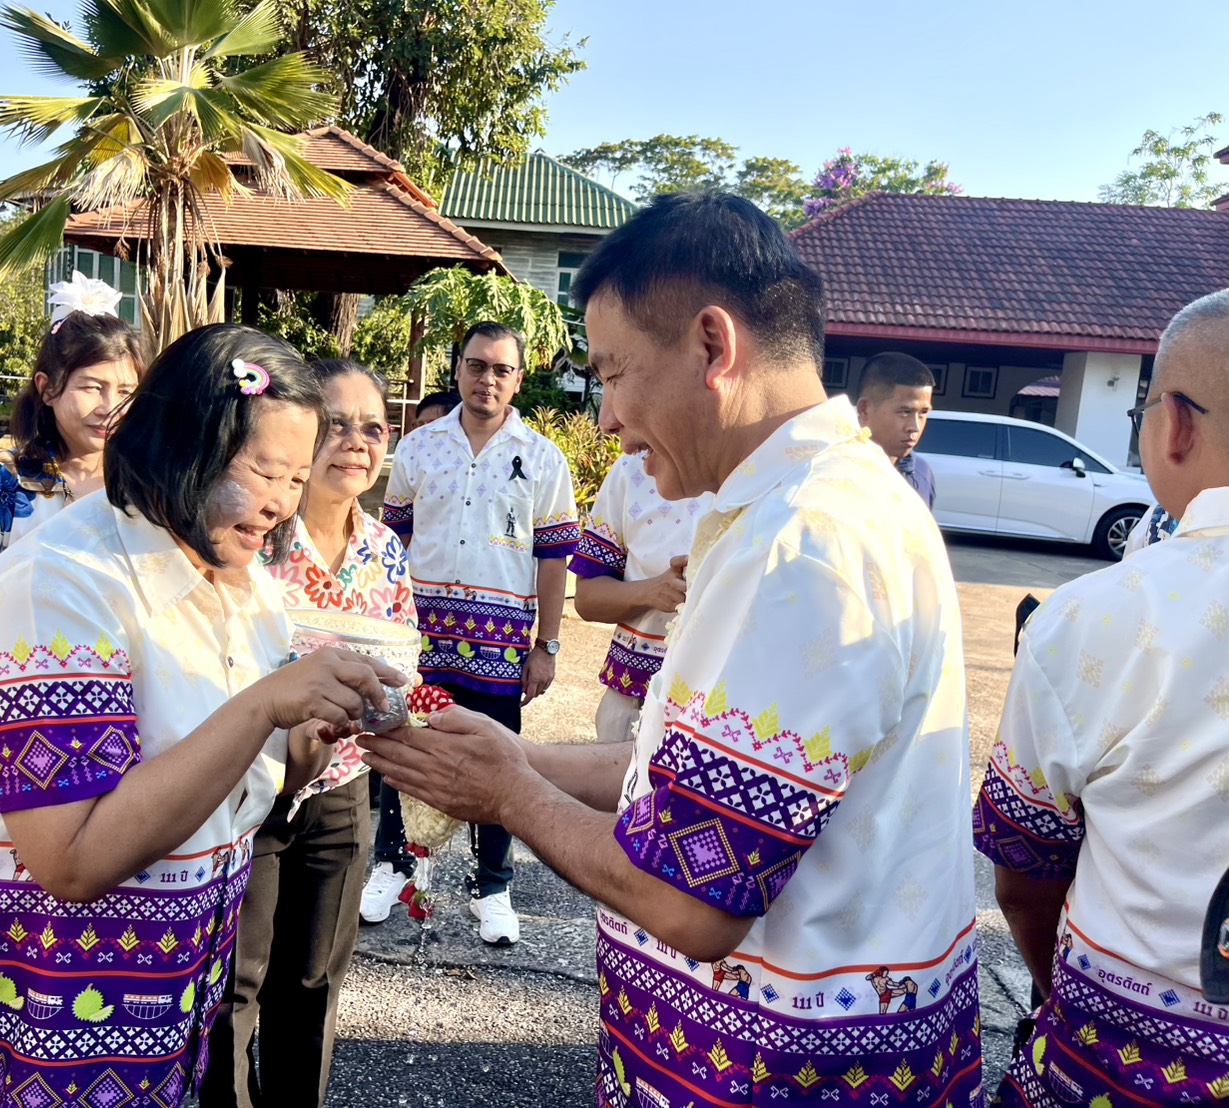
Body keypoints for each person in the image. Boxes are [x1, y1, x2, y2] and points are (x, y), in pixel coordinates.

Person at [362, 192, 982, 1106]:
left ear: (711, 346)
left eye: (613, 373)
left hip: (778, 1072)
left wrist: (508, 792)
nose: (607, 417)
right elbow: (701, 773)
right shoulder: (811, 503)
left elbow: (693, 901)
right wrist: (523, 756)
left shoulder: (802, 542)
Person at [0, 323, 405, 1108]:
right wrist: (263, 706)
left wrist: (313, 732)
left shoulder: (245, 583)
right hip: (26, 1013)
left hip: (152, 1014)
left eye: (295, 479)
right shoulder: (58, 590)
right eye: (260, 470)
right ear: (178, 443)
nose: (278, 505)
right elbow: (73, 860)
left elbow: (247, 783)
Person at [975, 289, 1229, 1106]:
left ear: (1175, 425)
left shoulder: (1097, 617)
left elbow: (1024, 872)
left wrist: (1064, 996)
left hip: (1117, 1068)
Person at [202, 358, 416, 1108]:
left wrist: (398, 721)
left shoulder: (385, 548)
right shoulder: (251, 536)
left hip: (341, 790)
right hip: (248, 788)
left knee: (314, 981)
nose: (355, 442)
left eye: (372, 426)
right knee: (235, 987)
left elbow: (399, 674)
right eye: (336, 424)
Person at [372, 321, 579, 944]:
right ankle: (395, 864)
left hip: (500, 645)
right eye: (476, 365)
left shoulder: (541, 458)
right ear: (458, 369)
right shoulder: (418, 448)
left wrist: (546, 646)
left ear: (518, 378)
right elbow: (394, 540)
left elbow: (553, 557)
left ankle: (492, 886)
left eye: (501, 369)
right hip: (423, 639)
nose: (487, 379)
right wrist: (385, 626)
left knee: (498, 760)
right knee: (409, 751)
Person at [0, 276, 148, 653]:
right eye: (91, 387)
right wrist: (44, 620)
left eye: (124, 391)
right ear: (47, 388)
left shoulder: (150, 488)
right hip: (25, 702)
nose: (109, 407)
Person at [571, 452, 710, 744]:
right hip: (633, 702)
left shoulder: (769, 469)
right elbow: (587, 598)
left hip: (721, 709)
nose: (609, 422)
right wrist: (651, 591)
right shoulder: (632, 471)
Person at [855, 351, 937, 509]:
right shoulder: (836, 468)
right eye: (905, 412)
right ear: (864, 409)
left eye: (923, 413)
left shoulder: (922, 473)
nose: (915, 427)